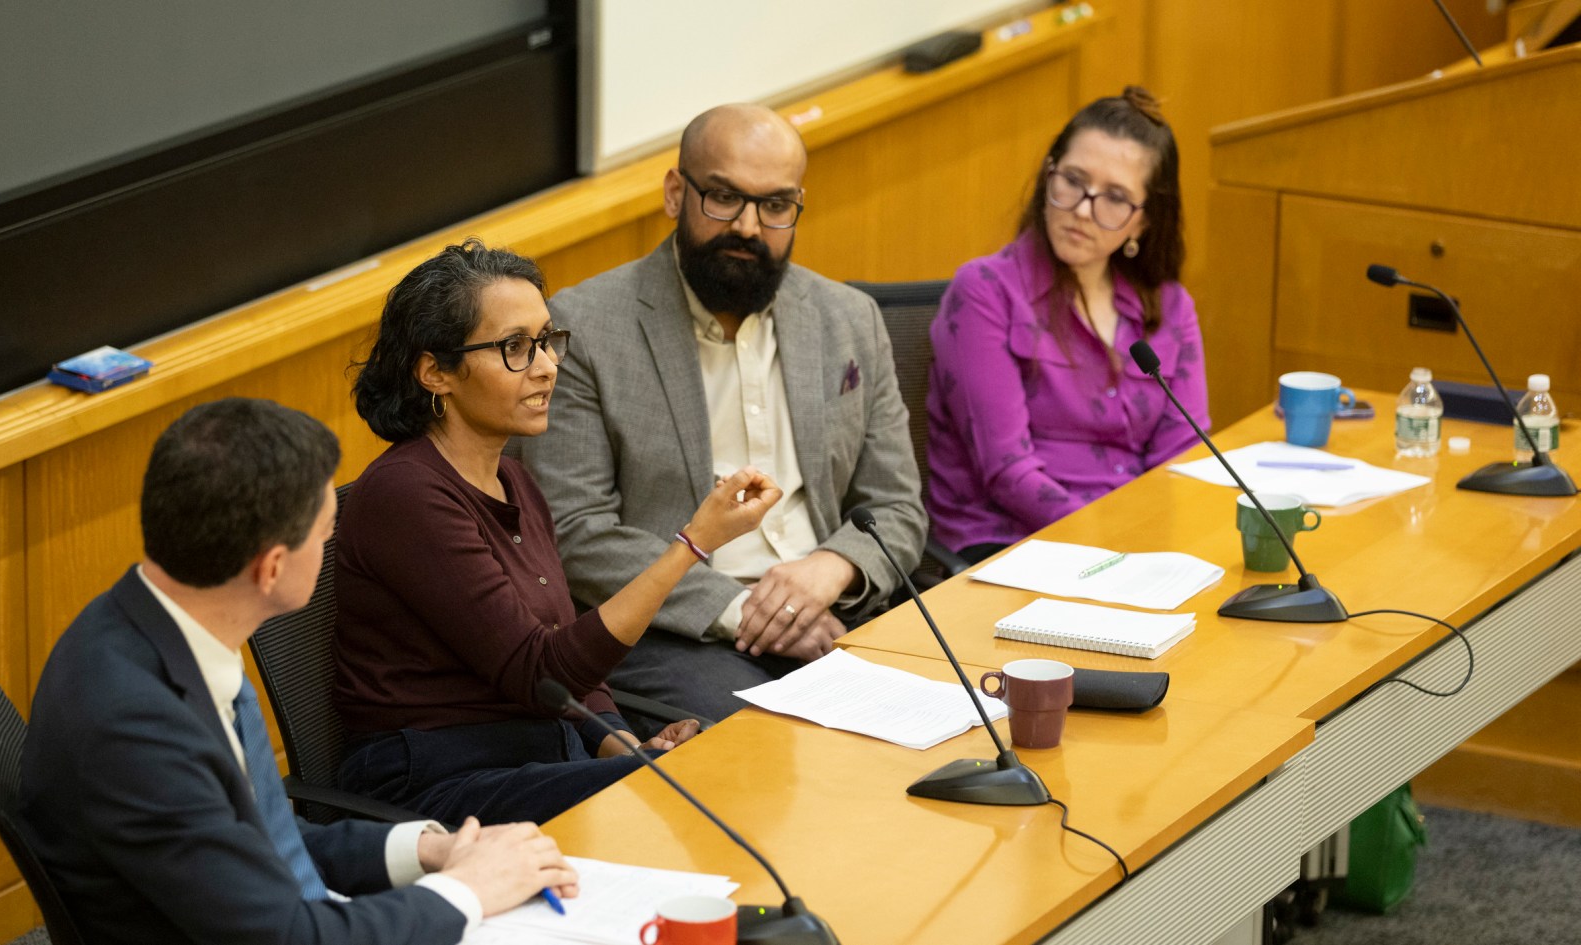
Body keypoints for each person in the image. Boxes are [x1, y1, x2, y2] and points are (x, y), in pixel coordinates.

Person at [19, 397, 578, 945]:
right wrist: (469, 890)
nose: (333, 539)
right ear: (272, 568)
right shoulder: (138, 729)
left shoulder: (150, 622)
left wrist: (429, 849)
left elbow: (262, 843)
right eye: (323, 529)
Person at [333, 240, 781, 826]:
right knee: (708, 783)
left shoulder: (514, 478)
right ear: (435, 372)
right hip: (438, 785)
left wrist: (629, 749)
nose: (547, 365)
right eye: (515, 348)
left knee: (710, 759)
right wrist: (692, 545)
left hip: (538, 757)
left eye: (547, 341)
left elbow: (574, 670)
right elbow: (542, 670)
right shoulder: (407, 495)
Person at [519, 103, 927, 723]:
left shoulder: (848, 319)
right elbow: (577, 534)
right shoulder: (586, 329)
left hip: (838, 611)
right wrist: (748, 611)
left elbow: (897, 507)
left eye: (776, 206)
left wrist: (832, 568)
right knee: (765, 757)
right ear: (676, 193)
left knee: (967, 714)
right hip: (680, 635)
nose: (749, 227)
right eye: (724, 198)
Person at [926, 86, 1208, 564]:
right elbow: (1007, 471)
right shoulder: (986, 291)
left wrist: (1153, 546)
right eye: (1072, 181)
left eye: (1115, 197)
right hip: (1011, 548)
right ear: (1048, 175)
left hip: (1132, 548)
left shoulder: (1170, 307)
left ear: (1143, 222)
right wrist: (1114, 546)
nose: (1082, 210)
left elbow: (1182, 457)